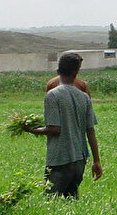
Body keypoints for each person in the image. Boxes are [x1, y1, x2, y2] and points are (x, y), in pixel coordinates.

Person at [25, 53, 102, 198]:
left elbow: (54, 129)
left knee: (50, 201)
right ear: (76, 71)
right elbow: (90, 130)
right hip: (79, 161)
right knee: (71, 201)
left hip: (59, 160)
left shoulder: (52, 95)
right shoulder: (84, 96)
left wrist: (31, 129)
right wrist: (96, 161)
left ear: (58, 69)